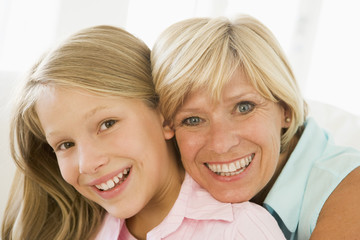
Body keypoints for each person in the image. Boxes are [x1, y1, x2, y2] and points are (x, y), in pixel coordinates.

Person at [1, 25, 285, 240]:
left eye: (107, 124)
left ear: (164, 116)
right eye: (65, 144)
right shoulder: (82, 228)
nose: (87, 163)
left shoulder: (239, 230)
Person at [151, 15, 360, 239]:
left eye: (244, 107)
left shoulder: (351, 191)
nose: (221, 144)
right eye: (192, 120)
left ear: (286, 110)